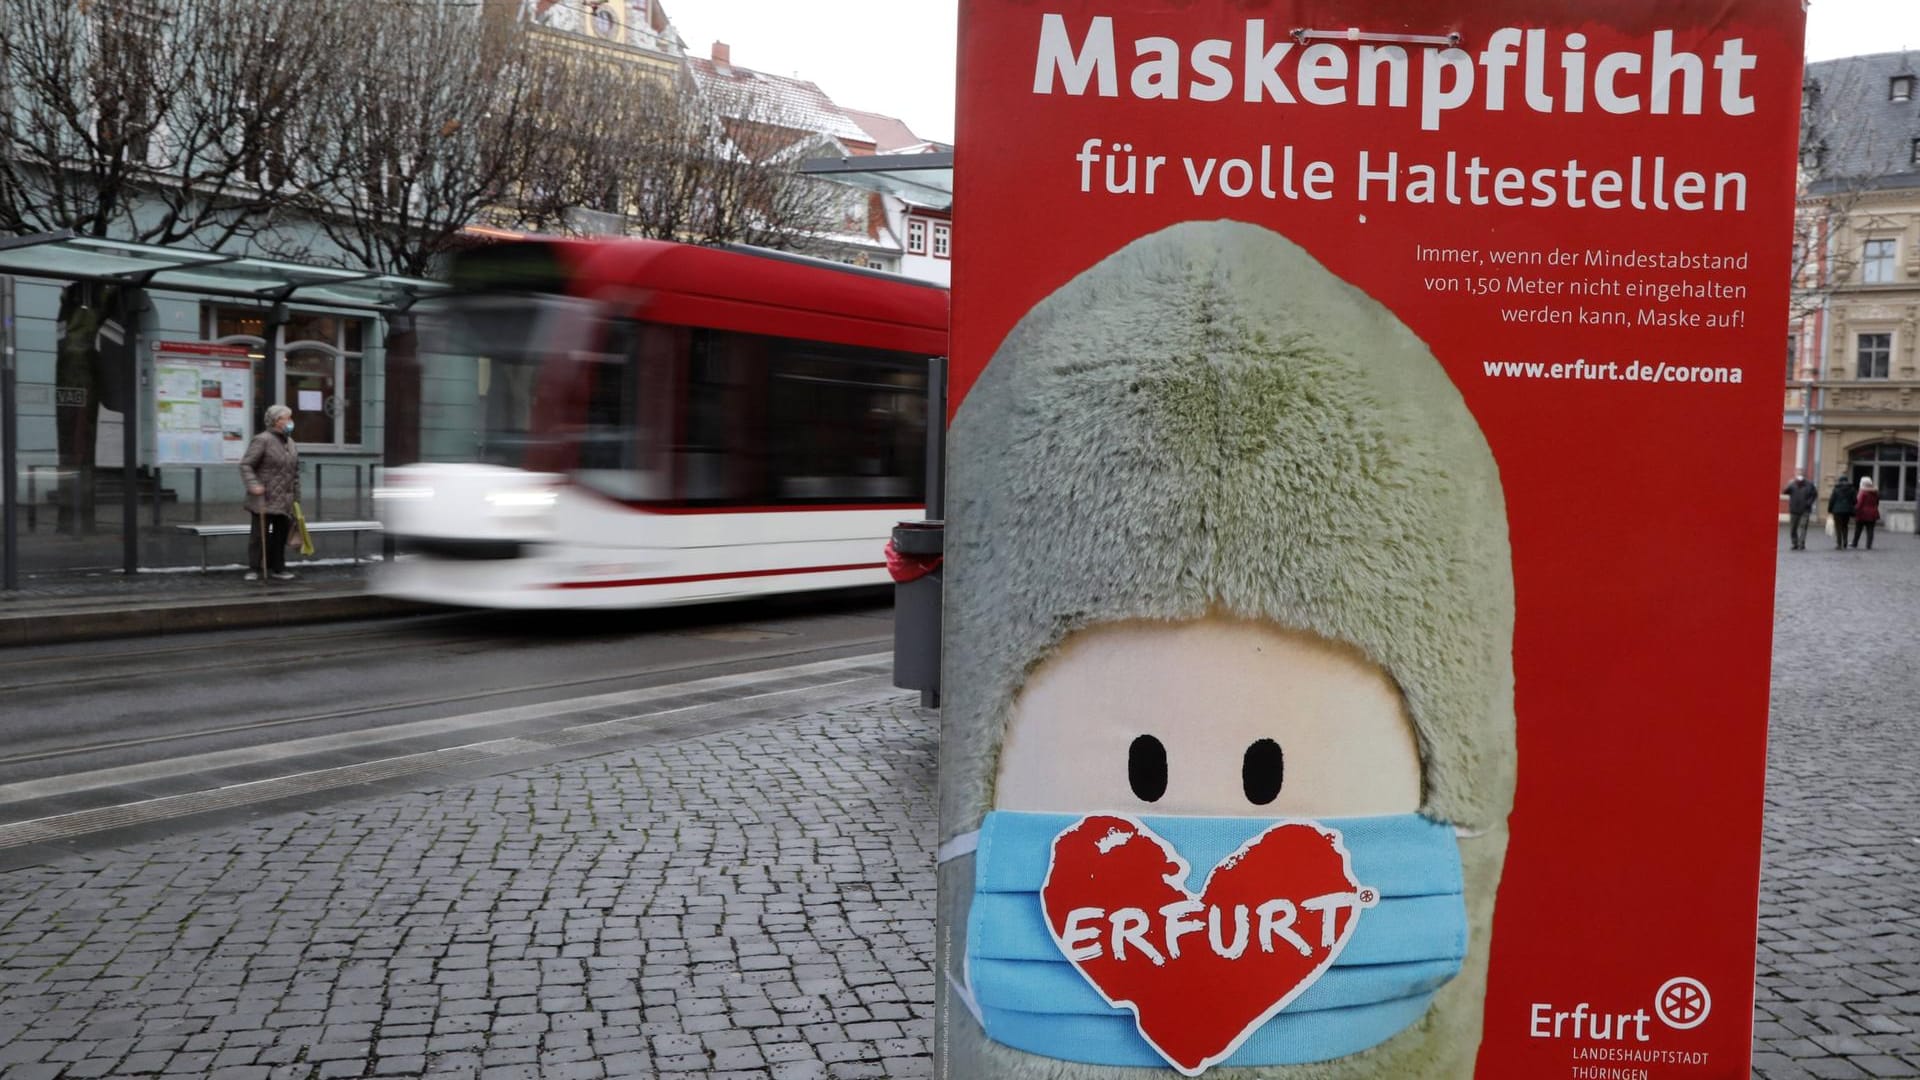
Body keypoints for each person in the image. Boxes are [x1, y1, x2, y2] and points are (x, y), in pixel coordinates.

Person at [239, 404, 300, 581]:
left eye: (290, 417)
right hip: (264, 497)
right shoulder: (262, 440)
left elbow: (295, 473)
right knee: (259, 536)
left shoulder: (291, 443)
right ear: (275, 421)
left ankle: (278, 567)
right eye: (286, 418)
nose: (290, 422)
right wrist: (253, 484)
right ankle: (254, 568)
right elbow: (246, 465)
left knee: (280, 535)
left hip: (285, 498)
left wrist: (296, 498)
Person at [1783, 469, 1818, 550]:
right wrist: (1789, 484)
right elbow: (1785, 492)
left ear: (1803, 474)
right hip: (1794, 509)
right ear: (1795, 474)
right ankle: (1794, 543)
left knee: (1803, 527)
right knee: (1793, 528)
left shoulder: (1809, 484)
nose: (1799, 474)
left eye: (1801, 472)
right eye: (1798, 473)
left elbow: (1814, 494)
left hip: (1805, 510)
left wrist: (1809, 502)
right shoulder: (1792, 484)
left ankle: (1801, 543)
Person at [1828, 473, 1856, 550]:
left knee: (1838, 527)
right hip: (1847, 511)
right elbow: (1855, 501)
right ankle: (1845, 542)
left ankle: (1839, 544)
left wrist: (1830, 509)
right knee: (1845, 526)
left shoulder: (1836, 489)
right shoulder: (1852, 489)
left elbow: (1832, 500)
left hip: (1837, 511)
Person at [1852, 476, 1881, 550]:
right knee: (1870, 530)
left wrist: (1855, 510)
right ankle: (1868, 545)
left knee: (1858, 529)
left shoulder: (1863, 492)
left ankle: (1855, 543)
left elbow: (1859, 503)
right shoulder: (1875, 492)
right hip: (1872, 513)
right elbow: (1877, 502)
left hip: (1862, 513)